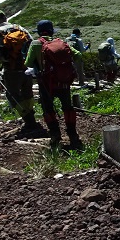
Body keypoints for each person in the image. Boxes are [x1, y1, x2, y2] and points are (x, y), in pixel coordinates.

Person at [25, 19, 82, 150]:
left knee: (48, 109)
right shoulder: (61, 43)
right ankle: (73, 135)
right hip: (63, 82)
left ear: (39, 32)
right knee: (68, 108)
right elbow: (78, 55)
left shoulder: (35, 44)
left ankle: (55, 135)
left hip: (46, 84)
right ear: (52, 31)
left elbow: (28, 64)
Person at [0, 9, 45, 137]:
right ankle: (32, 119)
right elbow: (33, 46)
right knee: (28, 94)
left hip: (11, 70)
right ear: (5, 18)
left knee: (12, 95)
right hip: (27, 69)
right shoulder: (22, 30)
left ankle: (28, 120)